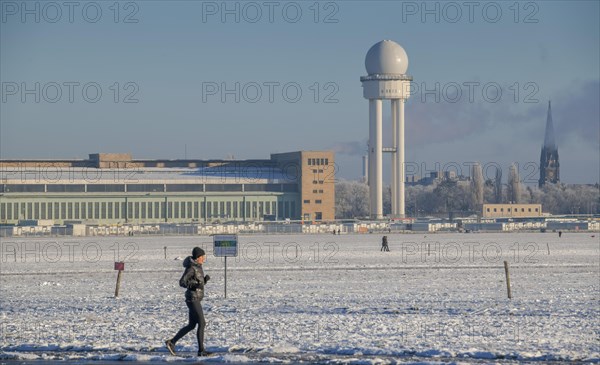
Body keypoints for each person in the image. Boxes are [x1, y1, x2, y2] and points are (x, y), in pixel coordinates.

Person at [166, 247, 211, 357]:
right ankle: (201, 351)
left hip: (195, 298)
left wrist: (204, 281)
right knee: (202, 323)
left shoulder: (198, 267)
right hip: (192, 299)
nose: (204, 259)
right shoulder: (191, 268)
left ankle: (171, 342)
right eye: (202, 257)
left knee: (192, 325)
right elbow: (182, 282)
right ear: (198, 257)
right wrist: (195, 285)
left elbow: (196, 283)